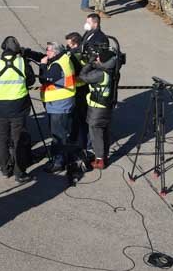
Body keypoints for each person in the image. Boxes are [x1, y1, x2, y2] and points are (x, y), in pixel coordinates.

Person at [0, 37, 35, 182]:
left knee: (1, 139)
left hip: (1, 108)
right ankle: (20, 172)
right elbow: (31, 81)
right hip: (19, 107)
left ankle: (5, 169)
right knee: (18, 139)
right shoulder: (22, 62)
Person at [39, 36, 79, 172]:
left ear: (55, 52)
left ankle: (59, 162)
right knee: (60, 133)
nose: (46, 53)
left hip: (58, 105)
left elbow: (44, 79)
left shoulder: (57, 65)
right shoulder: (63, 59)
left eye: (48, 50)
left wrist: (43, 65)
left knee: (58, 135)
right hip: (62, 103)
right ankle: (59, 156)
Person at [78, 40, 120, 169]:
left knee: (96, 133)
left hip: (97, 107)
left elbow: (83, 76)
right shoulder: (113, 70)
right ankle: (104, 155)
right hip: (106, 106)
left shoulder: (101, 74)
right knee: (104, 132)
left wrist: (90, 63)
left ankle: (99, 160)